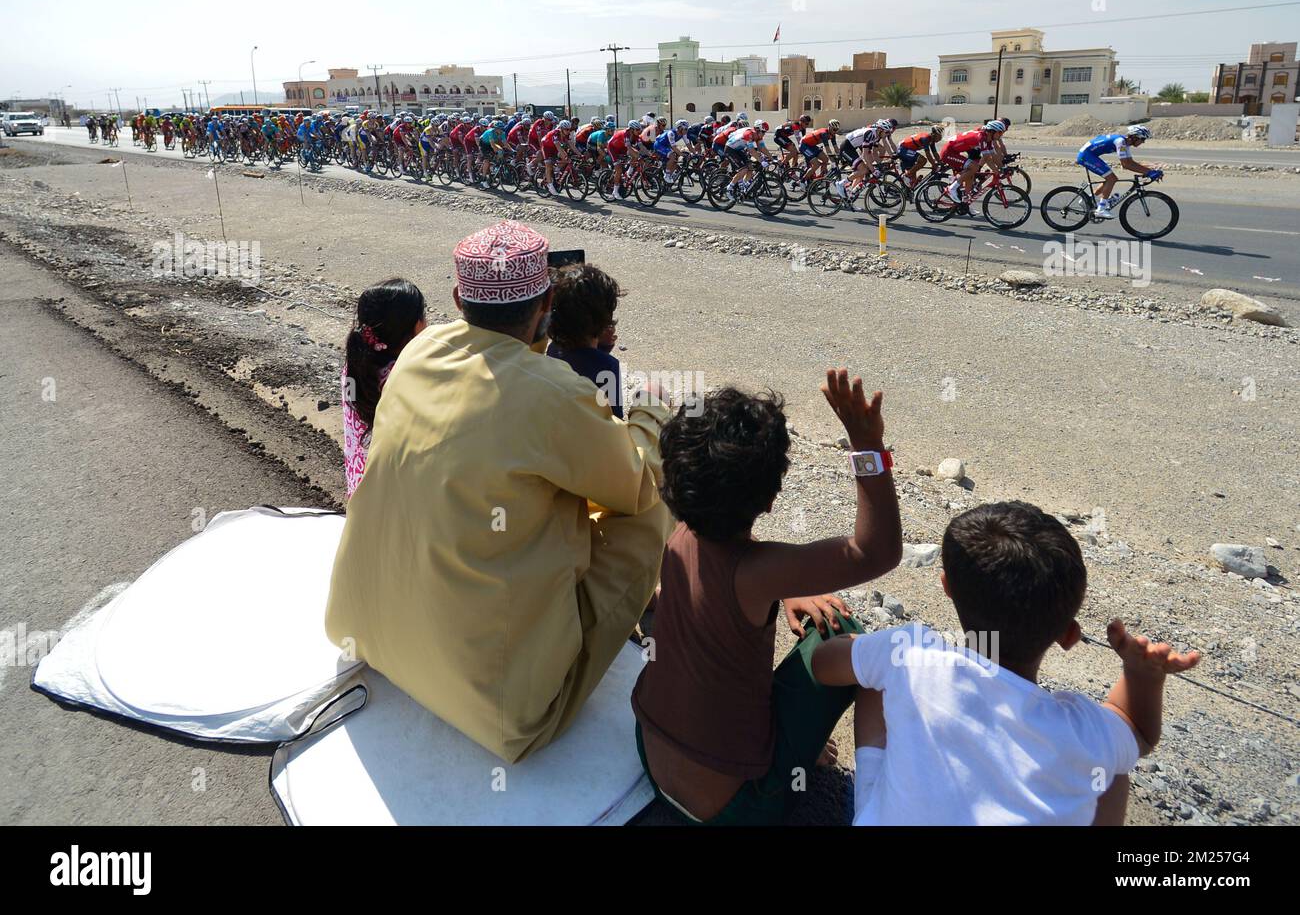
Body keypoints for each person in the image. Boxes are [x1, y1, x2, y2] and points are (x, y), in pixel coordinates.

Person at [326, 221, 676, 763]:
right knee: (651, 508)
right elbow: (634, 488)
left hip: (364, 630)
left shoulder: (422, 351)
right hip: (503, 713)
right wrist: (651, 410)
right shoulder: (555, 393)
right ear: (548, 304)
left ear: (458, 298)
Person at [812, 500, 1201, 825]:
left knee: (873, 678)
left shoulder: (910, 653)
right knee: (1113, 768)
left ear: (946, 587)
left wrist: (873, 652)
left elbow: (822, 663)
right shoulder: (1083, 730)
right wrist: (1141, 675)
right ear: (1069, 637)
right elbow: (1138, 734)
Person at [631, 370, 903, 825]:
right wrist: (867, 446)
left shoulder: (677, 536)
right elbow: (875, 551)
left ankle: (789, 745)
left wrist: (788, 587)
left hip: (650, 754)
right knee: (842, 632)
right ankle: (807, 761)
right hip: (738, 806)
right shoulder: (755, 572)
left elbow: (723, 584)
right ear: (772, 497)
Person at [341, 280, 427, 497]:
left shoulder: (355, 365)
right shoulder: (405, 376)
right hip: (395, 497)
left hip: (360, 487)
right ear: (418, 326)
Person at [546, 264, 624, 418]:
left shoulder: (553, 350)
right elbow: (614, 419)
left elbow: (581, 363)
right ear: (604, 320)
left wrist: (602, 349)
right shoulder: (608, 366)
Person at [1076, 124, 1161, 219]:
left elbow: (1130, 162)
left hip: (1089, 155)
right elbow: (1126, 165)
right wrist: (1149, 172)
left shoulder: (1125, 143)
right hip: (1086, 156)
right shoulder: (1121, 142)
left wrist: (1151, 169)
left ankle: (1088, 199)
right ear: (1135, 137)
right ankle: (1101, 210)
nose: (1143, 142)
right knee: (1111, 179)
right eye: (1143, 139)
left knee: (1111, 178)